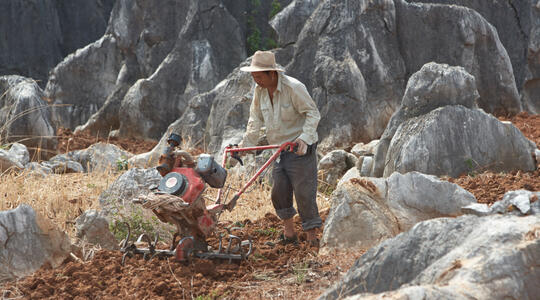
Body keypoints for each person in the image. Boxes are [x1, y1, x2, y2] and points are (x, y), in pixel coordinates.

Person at [239, 50, 322, 245]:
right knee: (279, 191)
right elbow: (255, 119)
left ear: (272, 73)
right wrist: (246, 146)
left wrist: (304, 138)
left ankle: (312, 238)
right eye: (253, 76)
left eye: (258, 76)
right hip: (278, 149)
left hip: (298, 148)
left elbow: (313, 113)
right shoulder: (260, 92)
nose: (255, 80)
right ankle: (289, 234)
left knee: (304, 193)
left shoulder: (293, 88)